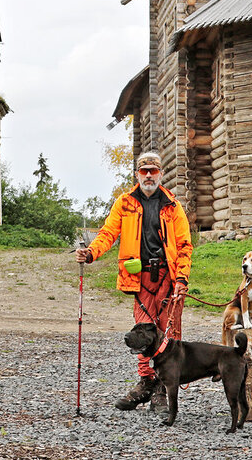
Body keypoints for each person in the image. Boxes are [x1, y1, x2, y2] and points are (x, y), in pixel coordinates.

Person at [75, 150, 193, 410]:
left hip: (168, 277)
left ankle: (163, 388)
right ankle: (146, 382)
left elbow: (184, 245)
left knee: (168, 333)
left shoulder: (172, 206)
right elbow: (108, 232)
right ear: (137, 174)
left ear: (161, 173)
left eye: (153, 171)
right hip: (138, 279)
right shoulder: (125, 203)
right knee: (143, 331)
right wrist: (91, 252)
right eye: (144, 171)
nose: (149, 175)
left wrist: (182, 278)